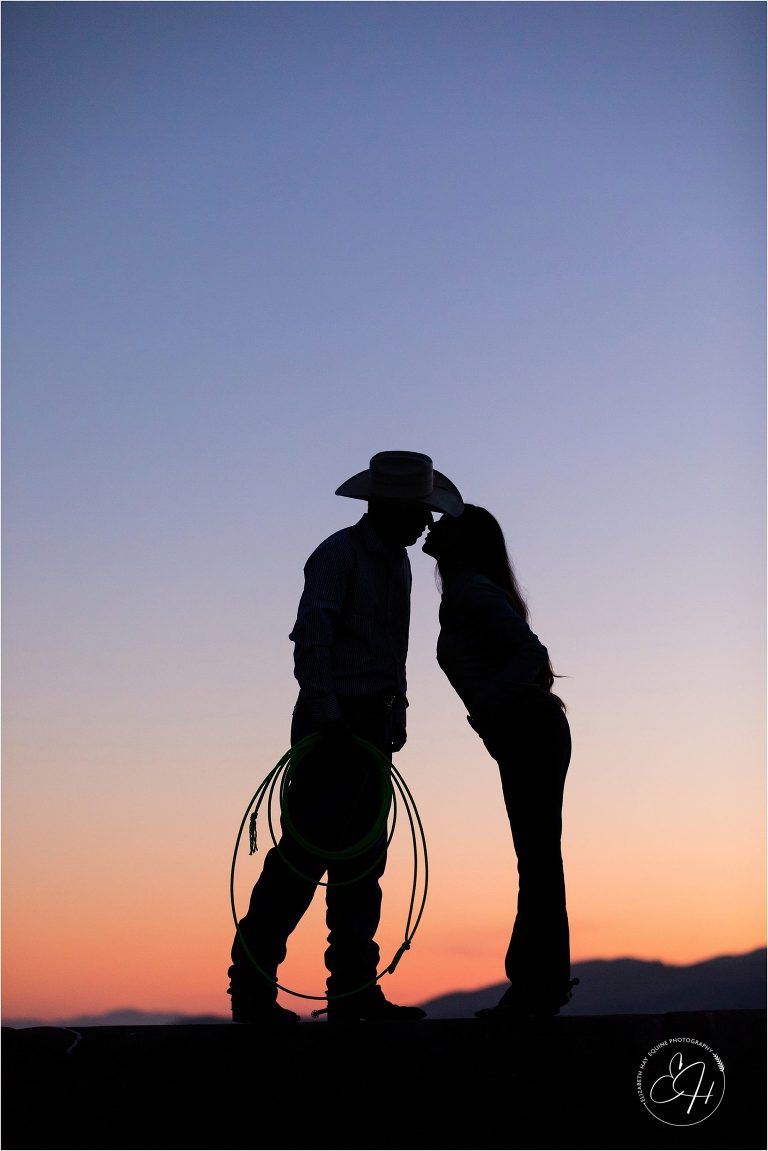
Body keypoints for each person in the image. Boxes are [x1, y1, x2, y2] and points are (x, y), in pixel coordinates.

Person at [229, 450, 464, 1024]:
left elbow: (392, 650)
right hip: (334, 722)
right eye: (418, 511)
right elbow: (311, 636)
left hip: (371, 724)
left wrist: (397, 711)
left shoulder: (396, 566)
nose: (425, 524)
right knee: (307, 855)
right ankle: (256, 986)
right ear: (389, 507)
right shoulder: (337, 555)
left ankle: (352, 990)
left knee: (362, 860)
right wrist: (328, 713)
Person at [422, 504, 577, 1020]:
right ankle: (539, 982)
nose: (432, 525)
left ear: (463, 541)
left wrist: (490, 703)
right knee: (536, 856)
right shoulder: (468, 591)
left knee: (536, 857)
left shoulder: (471, 592)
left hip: (530, 732)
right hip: (527, 734)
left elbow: (532, 654)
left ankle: (537, 985)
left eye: (445, 522)